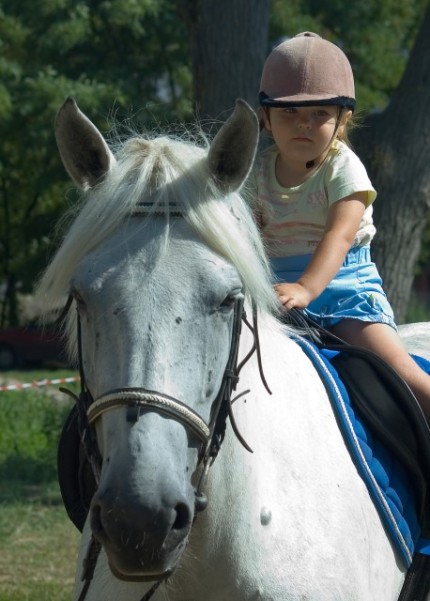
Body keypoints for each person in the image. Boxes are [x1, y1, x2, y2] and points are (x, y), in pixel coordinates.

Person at [250, 31, 430, 423]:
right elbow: (249, 234)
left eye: (319, 114)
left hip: (342, 293)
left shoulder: (343, 168)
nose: (304, 124)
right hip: (275, 294)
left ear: (343, 120)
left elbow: (340, 235)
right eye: (289, 113)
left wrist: (306, 288)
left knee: (402, 374)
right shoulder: (258, 172)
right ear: (265, 118)